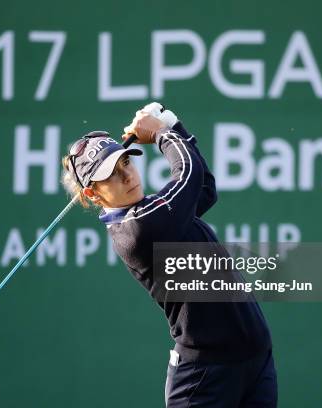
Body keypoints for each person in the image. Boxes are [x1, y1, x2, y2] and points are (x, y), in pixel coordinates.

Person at [61, 103, 277, 407]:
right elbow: (189, 172)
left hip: (254, 359)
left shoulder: (153, 209)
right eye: (111, 175)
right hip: (205, 378)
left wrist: (174, 127)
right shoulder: (138, 229)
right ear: (92, 194)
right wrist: (164, 133)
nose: (126, 176)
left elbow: (204, 189)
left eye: (126, 163)